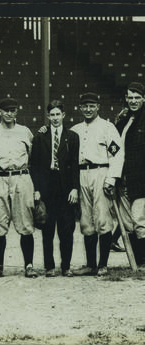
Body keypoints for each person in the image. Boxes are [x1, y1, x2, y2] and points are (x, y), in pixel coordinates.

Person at [70, 93, 124, 276]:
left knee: (102, 218)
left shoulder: (107, 127)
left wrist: (111, 179)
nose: (88, 109)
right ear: (80, 108)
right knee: (86, 220)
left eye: (92, 106)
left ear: (98, 107)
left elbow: (117, 155)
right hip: (81, 173)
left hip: (101, 172)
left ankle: (103, 264)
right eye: (84, 106)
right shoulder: (75, 129)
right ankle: (90, 265)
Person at [0, 98, 37, 278]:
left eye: (12, 110)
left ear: (17, 112)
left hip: (21, 176)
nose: (9, 113)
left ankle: (29, 265)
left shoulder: (24, 131)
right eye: (5, 110)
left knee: (26, 224)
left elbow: (32, 157)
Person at [30, 100, 80, 277]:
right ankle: (49, 266)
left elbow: (75, 165)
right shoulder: (40, 137)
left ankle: (66, 266)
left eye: (58, 114)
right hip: (47, 186)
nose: (55, 118)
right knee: (48, 229)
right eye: (52, 115)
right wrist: (36, 189)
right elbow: (34, 165)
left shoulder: (72, 137)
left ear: (64, 115)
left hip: (65, 187)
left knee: (66, 230)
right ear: (48, 116)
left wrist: (75, 188)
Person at [114, 82, 145, 269]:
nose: (133, 101)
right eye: (130, 97)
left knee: (140, 219)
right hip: (124, 177)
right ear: (126, 99)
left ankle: (143, 261)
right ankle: (137, 262)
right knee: (128, 222)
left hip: (141, 178)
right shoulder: (124, 120)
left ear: (143, 99)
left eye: (137, 97)